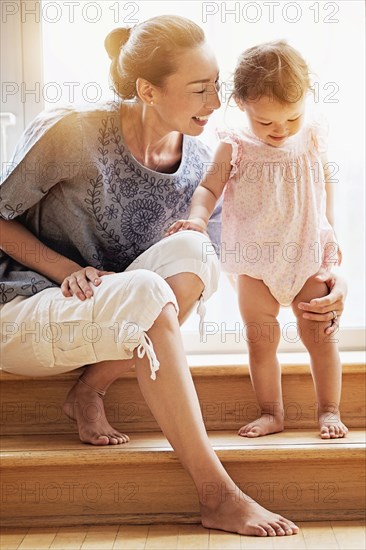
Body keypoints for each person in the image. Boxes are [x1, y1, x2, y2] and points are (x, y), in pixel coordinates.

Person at [0, 17, 347, 536]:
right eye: (200, 89)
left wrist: (331, 276)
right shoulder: (71, 129)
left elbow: (252, 257)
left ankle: (90, 390)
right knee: (147, 285)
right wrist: (66, 270)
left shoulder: (200, 162)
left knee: (193, 248)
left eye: (217, 86)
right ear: (147, 89)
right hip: (23, 310)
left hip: (102, 319)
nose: (215, 102)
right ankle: (217, 494)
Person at [167, 40, 348, 441]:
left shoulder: (313, 137)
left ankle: (329, 409)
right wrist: (197, 220)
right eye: (265, 123)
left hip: (306, 254)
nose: (280, 130)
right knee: (260, 340)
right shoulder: (234, 145)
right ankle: (271, 412)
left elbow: (325, 188)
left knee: (320, 336)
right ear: (241, 104)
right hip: (254, 261)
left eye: (291, 118)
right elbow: (207, 190)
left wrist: (331, 235)